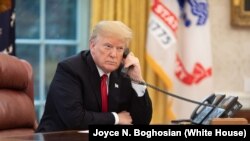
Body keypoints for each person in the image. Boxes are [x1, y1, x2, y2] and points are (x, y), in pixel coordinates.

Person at [36, 21, 152, 132]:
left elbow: (142, 121)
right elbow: (75, 119)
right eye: (108, 46)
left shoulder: (123, 73)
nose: (113, 54)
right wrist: (116, 118)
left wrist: (137, 80)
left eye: (119, 48)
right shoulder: (70, 70)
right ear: (92, 45)